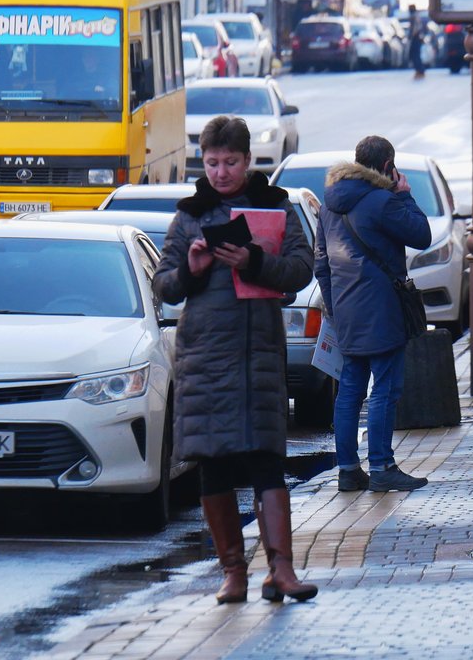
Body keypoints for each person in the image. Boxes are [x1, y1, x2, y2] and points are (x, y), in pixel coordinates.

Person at [152, 115, 317, 605]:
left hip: (260, 355)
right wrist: (192, 269)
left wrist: (255, 263)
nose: (221, 172)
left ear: (248, 161)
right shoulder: (190, 215)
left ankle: (281, 571)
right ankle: (233, 572)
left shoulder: (275, 206)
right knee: (215, 467)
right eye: (212, 162)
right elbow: (164, 284)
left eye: (230, 162)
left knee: (268, 463)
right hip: (205, 359)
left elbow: (302, 269)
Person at [314, 136, 433, 494]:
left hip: (347, 309)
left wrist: (335, 307)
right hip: (382, 308)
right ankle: (382, 466)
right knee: (385, 388)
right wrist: (404, 194)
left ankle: (349, 470)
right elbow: (422, 235)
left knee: (350, 388)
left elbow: (321, 263)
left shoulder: (328, 205)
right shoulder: (383, 201)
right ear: (387, 167)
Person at [407, 4, 426, 79]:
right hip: (417, 38)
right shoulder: (417, 16)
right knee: (415, 54)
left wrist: (411, 36)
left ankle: (420, 70)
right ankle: (419, 70)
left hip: (415, 38)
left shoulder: (414, 16)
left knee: (415, 54)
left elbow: (414, 29)